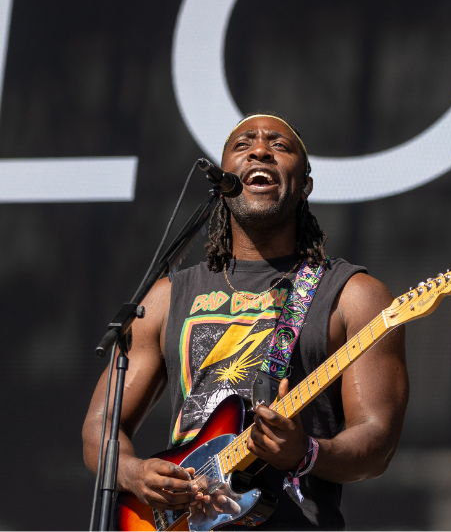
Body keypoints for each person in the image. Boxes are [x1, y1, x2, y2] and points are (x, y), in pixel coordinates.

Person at [82, 114, 408, 530]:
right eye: (243, 144)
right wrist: (133, 473)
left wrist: (305, 452)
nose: (259, 150)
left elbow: (377, 438)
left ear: (305, 185)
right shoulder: (167, 296)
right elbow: (100, 425)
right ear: (222, 183)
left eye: (279, 145)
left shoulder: (353, 295)